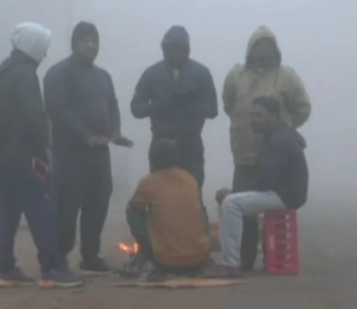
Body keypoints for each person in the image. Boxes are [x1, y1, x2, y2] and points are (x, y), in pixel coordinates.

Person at [0, 22, 83, 289]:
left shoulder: (2, 72)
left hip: (1, 157)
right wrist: (44, 146)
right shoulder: (25, 75)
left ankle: (5, 269)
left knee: (6, 213)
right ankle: (51, 269)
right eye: (43, 48)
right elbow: (34, 118)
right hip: (26, 157)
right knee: (43, 208)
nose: (44, 54)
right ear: (33, 46)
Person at [43, 21, 133, 273]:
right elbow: (57, 110)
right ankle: (60, 256)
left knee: (99, 200)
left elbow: (113, 106)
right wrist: (85, 136)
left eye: (95, 40)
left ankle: (90, 255)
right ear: (74, 44)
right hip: (69, 152)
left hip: (99, 152)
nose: (91, 45)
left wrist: (115, 133)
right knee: (68, 204)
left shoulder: (103, 77)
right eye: (85, 40)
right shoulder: (58, 74)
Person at [221, 25, 311, 271]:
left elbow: (303, 108)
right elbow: (228, 104)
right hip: (243, 151)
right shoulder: (236, 75)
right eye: (259, 44)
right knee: (244, 210)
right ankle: (244, 259)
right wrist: (244, 123)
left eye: (268, 45)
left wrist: (286, 128)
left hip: (272, 154)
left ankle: (268, 257)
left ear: (275, 50)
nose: (263, 49)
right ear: (250, 48)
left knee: (243, 200)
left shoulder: (286, 76)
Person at [206, 96, 309, 278]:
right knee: (227, 200)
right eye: (252, 115)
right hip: (278, 192)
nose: (254, 119)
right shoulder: (275, 136)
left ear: (273, 116)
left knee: (231, 203)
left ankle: (231, 264)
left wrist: (235, 192)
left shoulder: (280, 141)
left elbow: (267, 179)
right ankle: (233, 258)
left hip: (285, 196)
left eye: (259, 115)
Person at [130, 25, 218, 191]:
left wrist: (189, 103)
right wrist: (162, 104)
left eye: (179, 48)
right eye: (171, 48)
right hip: (161, 143)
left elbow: (213, 110)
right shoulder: (152, 73)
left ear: (187, 49)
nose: (175, 52)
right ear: (164, 49)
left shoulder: (201, 73)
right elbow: (136, 109)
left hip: (190, 143)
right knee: (160, 193)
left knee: (192, 192)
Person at [126, 139, 210, 277]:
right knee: (200, 209)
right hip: (199, 257)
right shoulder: (190, 179)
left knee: (134, 211)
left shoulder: (148, 182)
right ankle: (199, 246)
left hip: (166, 261)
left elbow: (133, 209)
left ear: (152, 160)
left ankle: (148, 253)